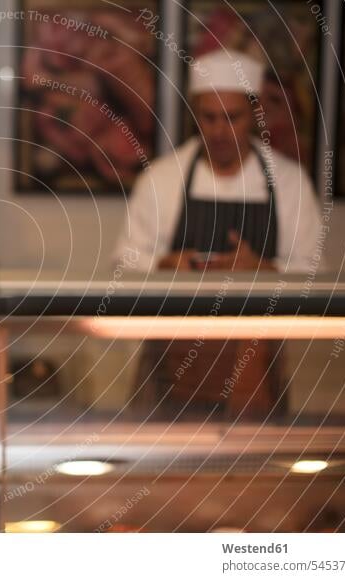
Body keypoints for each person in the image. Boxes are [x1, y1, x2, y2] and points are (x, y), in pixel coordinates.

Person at [113, 50, 323, 422]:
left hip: (255, 366)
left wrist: (264, 269)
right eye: (209, 118)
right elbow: (122, 265)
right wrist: (163, 264)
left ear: (253, 116)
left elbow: (316, 277)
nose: (219, 131)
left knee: (253, 472)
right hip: (170, 368)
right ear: (195, 115)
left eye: (232, 118)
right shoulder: (162, 180)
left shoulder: (290, 183)